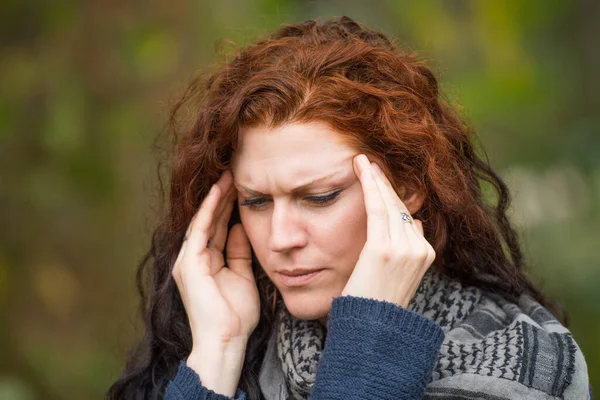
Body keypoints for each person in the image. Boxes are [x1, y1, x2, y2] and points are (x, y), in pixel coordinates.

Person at [107, 16, 591, 400]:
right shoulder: (240, 349)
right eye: (256, 202)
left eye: (318, 197)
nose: (280, 238)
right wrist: (219, 350)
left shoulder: (522, 366)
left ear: (406, 190)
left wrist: (370, 331)